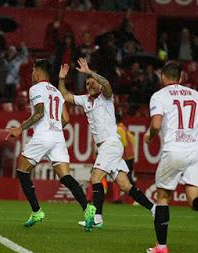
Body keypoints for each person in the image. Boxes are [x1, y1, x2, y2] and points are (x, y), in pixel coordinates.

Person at [58, 59, 154, 230]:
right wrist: (61, 79)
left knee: (95, 177)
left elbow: (107, 83)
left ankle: (98, 218)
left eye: (92, 83)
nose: (89, 85)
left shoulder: (106, 97)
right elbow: (65, 96)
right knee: (125, 185)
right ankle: (154, 208)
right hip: (107, 147)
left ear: (99, 86)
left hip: (111, 144)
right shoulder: (85, 100)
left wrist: (89, 72)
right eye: (87, 84)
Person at [6, 59, 95, 229]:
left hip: (43, 136)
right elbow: (66, 119)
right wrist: (54, 128)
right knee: (66, 177)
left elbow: (39, 114)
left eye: (33, 71)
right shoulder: (56, 91)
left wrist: (19, 129)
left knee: (22, 171)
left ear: (38, 73)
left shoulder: (35, 89)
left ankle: (36, 211)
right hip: (58, 137)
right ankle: (87, 207)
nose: (32, 74)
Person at [144, 62, 198, 253]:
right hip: (197, 151)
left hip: (175, 150)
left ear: (163, 77)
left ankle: (161, 247)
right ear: (181, 78)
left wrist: (150, 136)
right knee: (194, 200)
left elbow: (156, 124)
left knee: (163, 197)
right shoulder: (195, 95)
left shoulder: (159, 96)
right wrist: (194, 133)